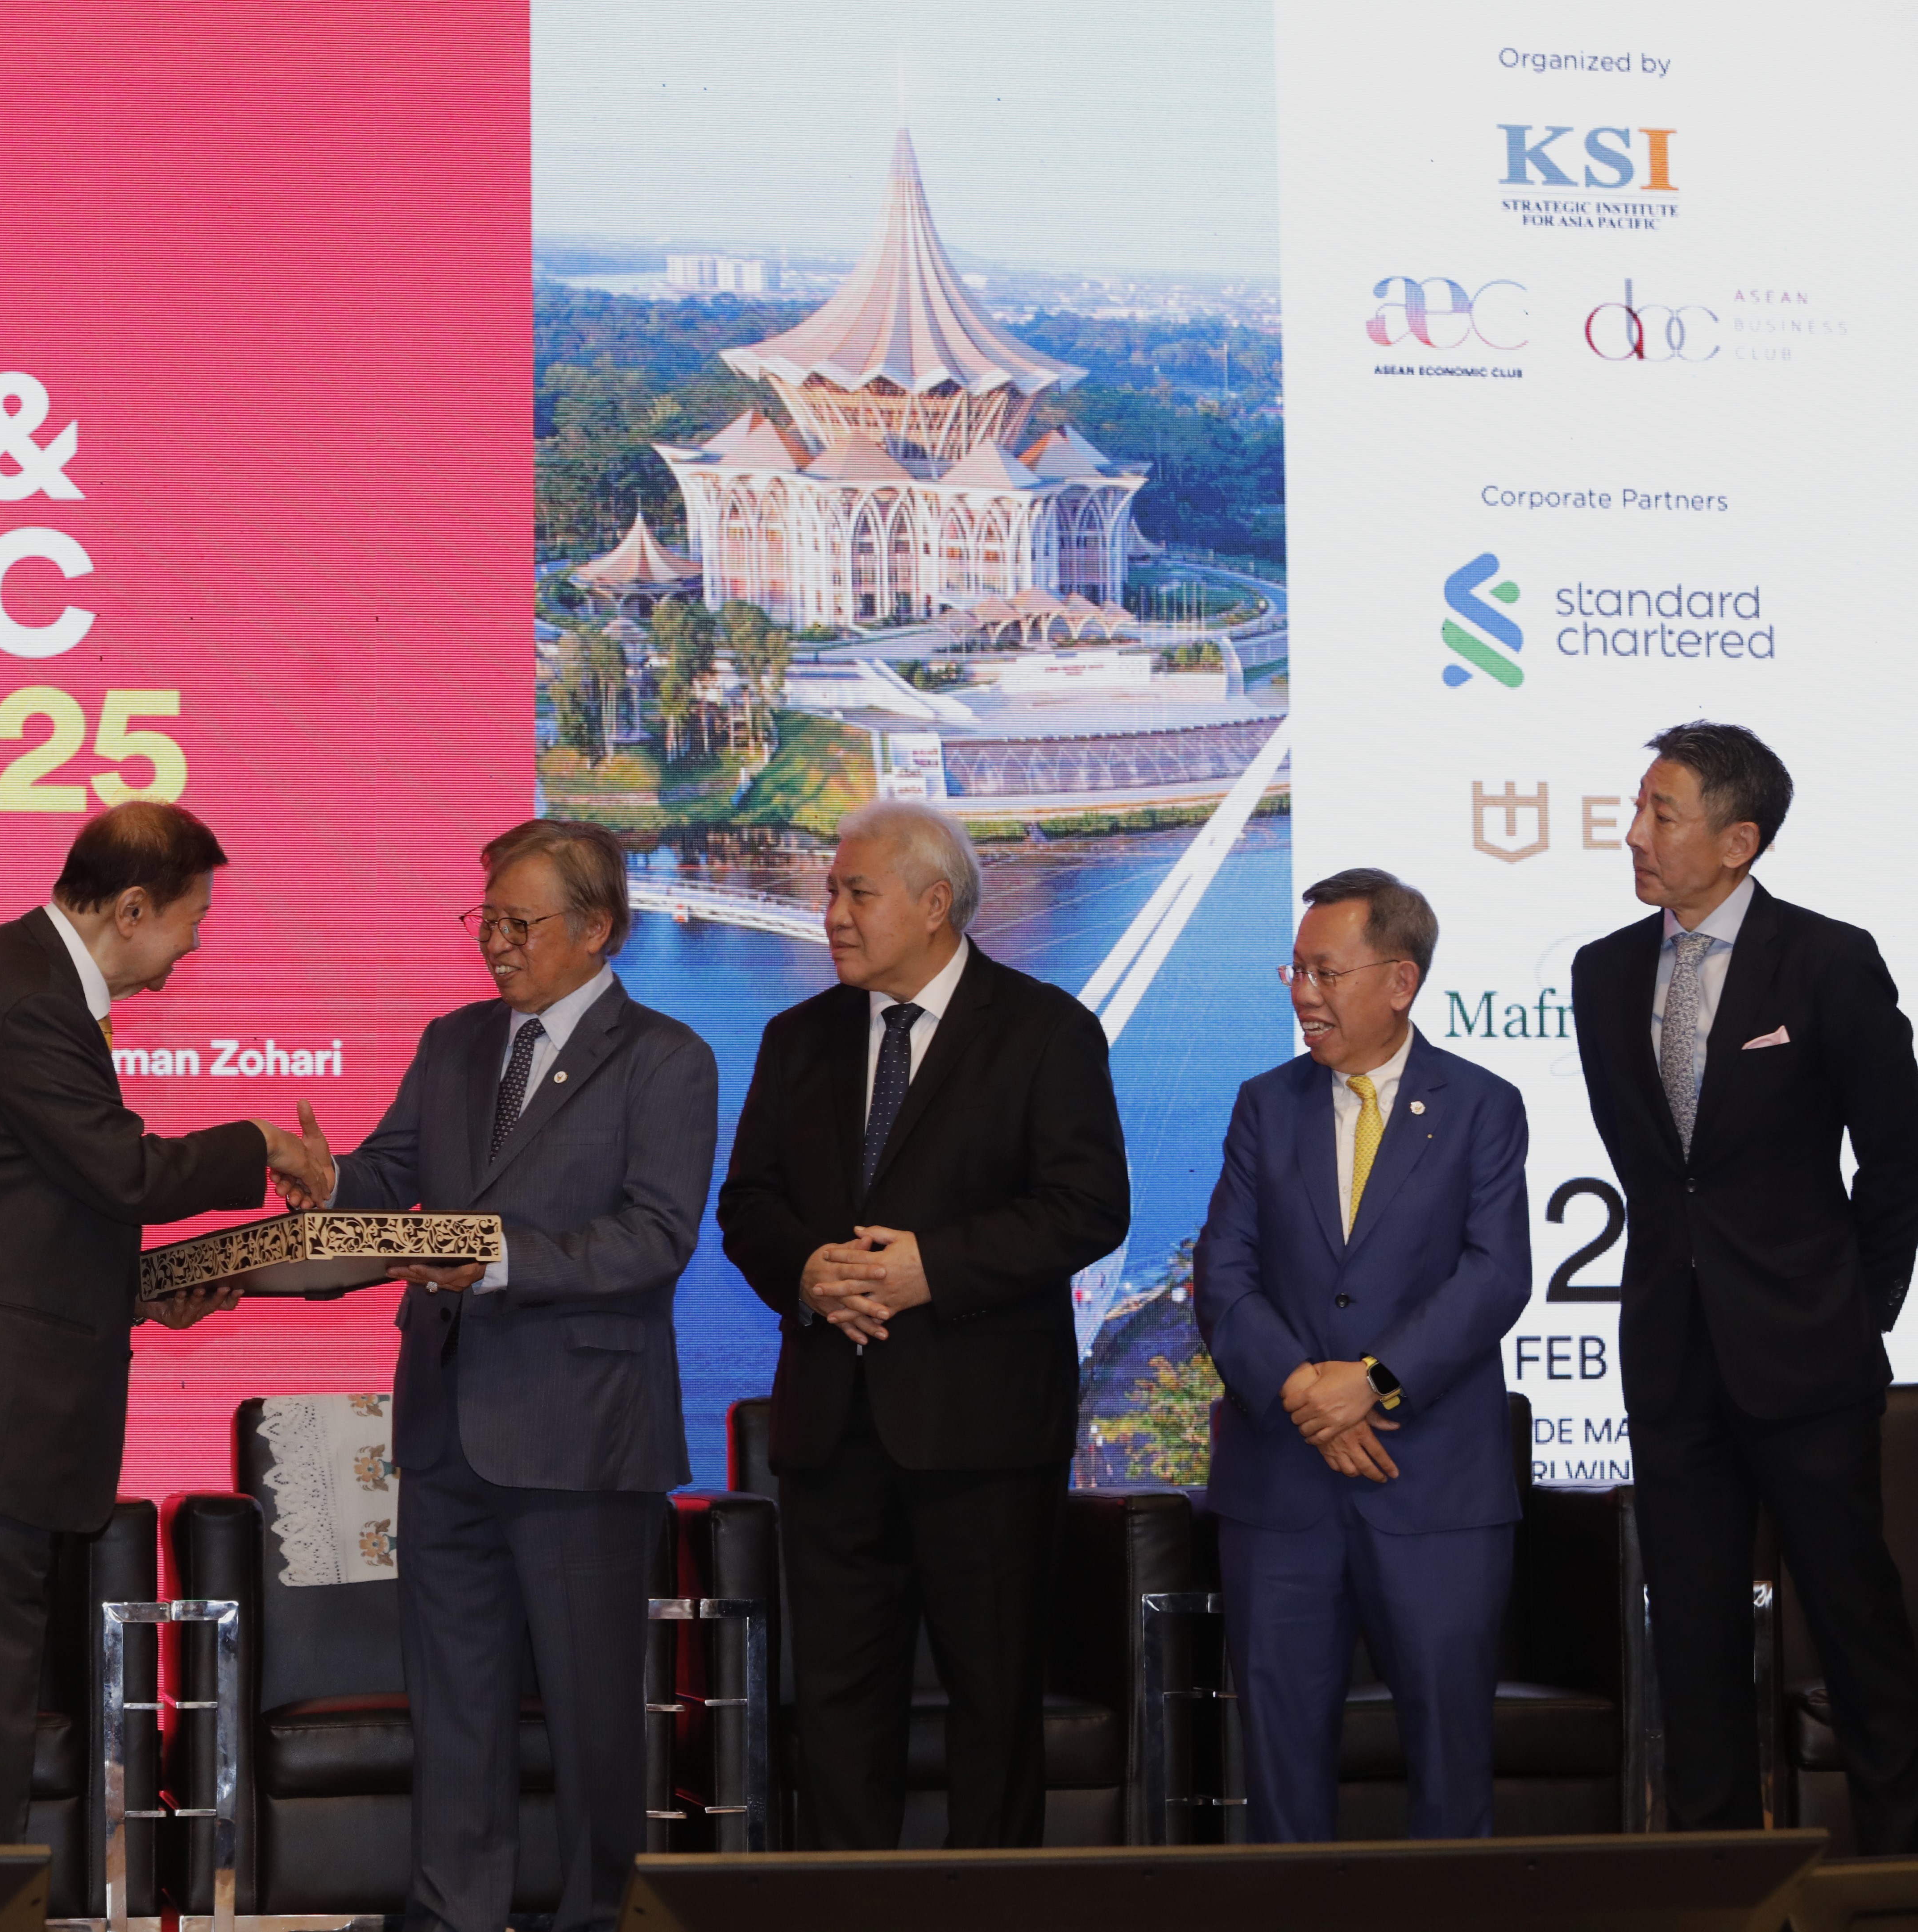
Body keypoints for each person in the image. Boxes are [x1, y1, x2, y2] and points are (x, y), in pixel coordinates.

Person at [0, 800, 323, 1846]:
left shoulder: (28, 980)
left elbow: (29, 1212)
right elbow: (120, 1170)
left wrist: (141, 1289)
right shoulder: (30, 998)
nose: (193, 945)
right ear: (130, 908)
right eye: (191, 920)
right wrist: (262, 1141)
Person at [278, 818, 715, 1932]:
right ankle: (453, 1913)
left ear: (597, 929)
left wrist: (498, 1259)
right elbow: (392, 1176)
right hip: (444, 1429)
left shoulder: (666, 1057)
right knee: (456, 1706)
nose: (495, 944)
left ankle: (599, 1916)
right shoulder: (454, 1042)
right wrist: (330, 1181)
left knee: (591, 1715)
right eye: (486, 920)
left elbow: (656, 1237)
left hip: (582, 1437)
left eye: (520, 924)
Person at [717, 799, 1127, 1849]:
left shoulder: (1042, 1030)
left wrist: (928, 1270)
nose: (829, 915)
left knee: (993, 1710)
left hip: (984, 1438)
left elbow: (1086, 1208)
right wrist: (806, 1272)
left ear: (934, 903)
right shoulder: (796, 1038)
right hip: (830, 1433)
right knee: (838, 1719)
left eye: (854, 893)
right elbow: (748, 1204)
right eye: (829, 893)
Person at [1573, 721, 1918, 1849]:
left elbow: (1897, 1159)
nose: (1634, 833)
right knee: (1692, 1642)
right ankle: (1716, 1877)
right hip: (1670, 1359)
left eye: (1659, 813)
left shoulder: (1826, 960)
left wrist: (1855, 1313)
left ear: (1737, 840)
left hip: (1807, 1357)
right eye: (1637, 807)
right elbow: (1656, 1173)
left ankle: (1895, 1871)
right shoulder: (1601, 972)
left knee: (1855, 1628)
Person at [1193, 869, 1530, 1841]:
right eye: (1294, 970)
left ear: (1399, 980)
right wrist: (1305, 1390)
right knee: (1281, 1782)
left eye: (1325, 973)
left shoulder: (1480, 1106)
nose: (1303, 993)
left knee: (1450, 1773)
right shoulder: (1265, 1105)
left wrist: (1372, 1382)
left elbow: (1493, 1275)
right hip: (1281, 1491)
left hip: (1434, 1493)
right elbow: (1222, 1273)